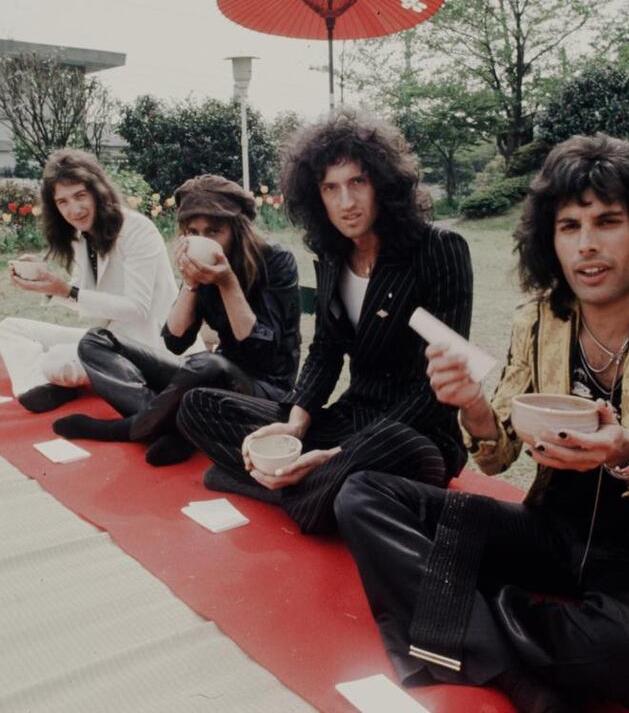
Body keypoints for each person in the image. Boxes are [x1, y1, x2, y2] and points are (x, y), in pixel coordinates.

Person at [334, 134, 629, 713]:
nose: (587, 246)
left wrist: (628, 456)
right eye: (568, 227)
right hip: (546, 531)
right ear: (549, 241)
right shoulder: (540, 318)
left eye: (607, 222)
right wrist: (473, 406)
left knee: (628, 656)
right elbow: (497, 452)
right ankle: (515, 672)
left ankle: (456, 616)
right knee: (363, 493)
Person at [176, 110, 473, 533]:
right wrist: (297, 422)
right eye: (330, 188)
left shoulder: (438, 250)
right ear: (315, 197)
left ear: (383, 184)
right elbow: (326, 351)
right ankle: (315, 490)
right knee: (198, 406)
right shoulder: (333, 255)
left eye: (358, 182)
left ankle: (282, 488)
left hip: (414, 434)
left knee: (396, 453)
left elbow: (437, 387)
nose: (346, 202)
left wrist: (337, 453)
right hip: (350, 416)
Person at [52, 174, 301, 466]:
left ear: (237, 229)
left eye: (213, 232)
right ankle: (169, 426)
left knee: (207, 363)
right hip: (209, 380)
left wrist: (227, 283)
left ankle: (131, 428)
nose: (202, 241)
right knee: (96, 340)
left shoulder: (275, 260)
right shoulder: (201, 266)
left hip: (265, 390)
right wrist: (191, 284)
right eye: (192, 232)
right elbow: (174, 341)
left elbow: (264, 353)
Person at [0, 148, 189, 413]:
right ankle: (37, 388)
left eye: (80, 195)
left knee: (55, 362)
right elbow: (85, 301)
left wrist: (66, 289)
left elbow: (138, 308)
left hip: (147, 344)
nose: (74, 209)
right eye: (62, 202)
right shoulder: (80, 237)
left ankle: (57, 379)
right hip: (104, 339)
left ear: (98, 191)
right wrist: (46, 283)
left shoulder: (137, 229)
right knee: (10, 327)